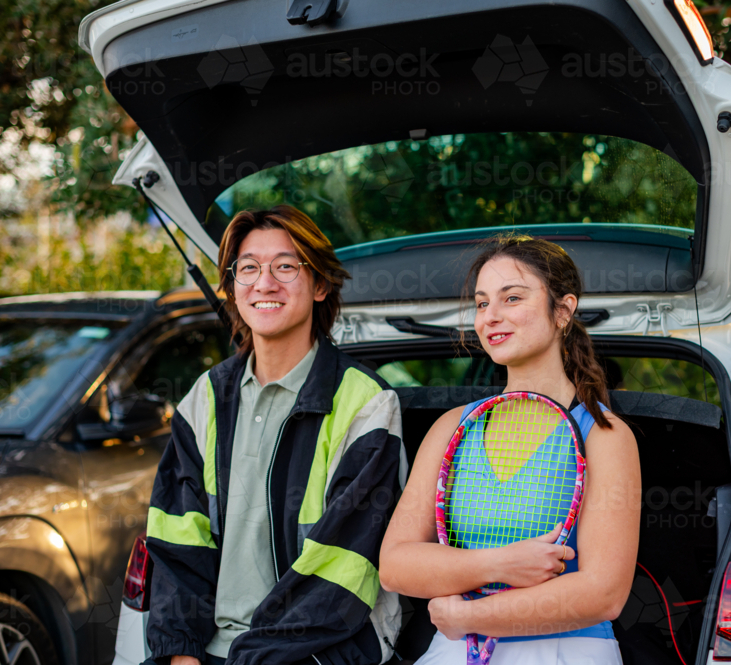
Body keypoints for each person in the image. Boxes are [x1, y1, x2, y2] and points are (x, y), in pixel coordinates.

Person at [143, 205, 407, 665]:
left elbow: (346, 568)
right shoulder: (205, 398)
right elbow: (177, 544)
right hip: (210, 654)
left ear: (320, 284)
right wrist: (181, 654)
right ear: (232, 286)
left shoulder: (366, 404)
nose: (265, 283)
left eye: (286, 266)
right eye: (248, 268)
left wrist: (257, 657)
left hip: (321, 651)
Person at [379, 235, 641, 665]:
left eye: (512, 298)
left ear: (563, 310)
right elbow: (396, 564)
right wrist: (500, 564)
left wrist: (472, 615)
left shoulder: (604, 436)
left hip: (566, 650)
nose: (491, 317)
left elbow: (603, 594)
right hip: (454, 648)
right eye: (482, 304)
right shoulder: (453, 428)